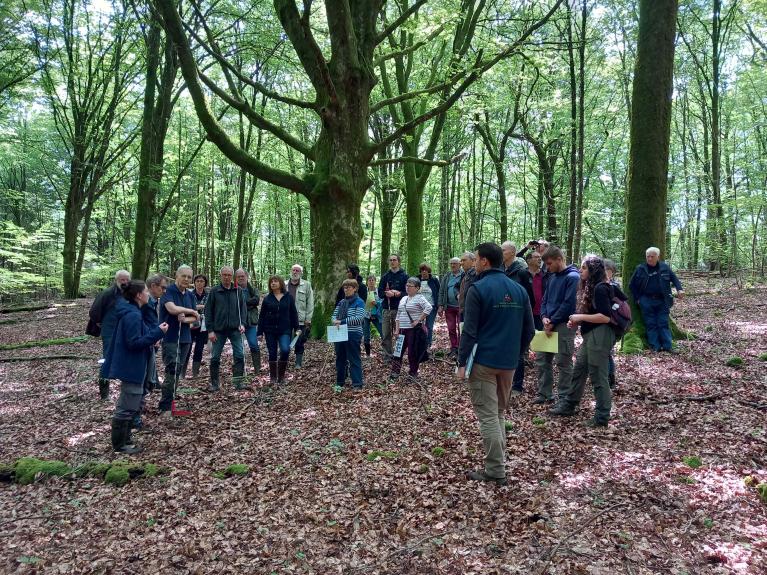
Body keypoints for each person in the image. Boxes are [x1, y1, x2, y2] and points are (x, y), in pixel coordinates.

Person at [457, 242, 534, 486]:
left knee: (489, 416)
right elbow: (529, 330)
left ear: (484, 261)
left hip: (484, 362)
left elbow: (469, 331)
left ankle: (495, 470)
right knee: (498, 412)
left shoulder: (477, 289)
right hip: (508, 363)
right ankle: (498, 463)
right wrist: (517, 354)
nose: (474, 263)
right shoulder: (518, 290)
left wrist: (461, 362)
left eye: (477, 259)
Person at [549, 256, 615, 427]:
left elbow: (605, 317)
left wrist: (580, 317)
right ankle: (569, 404)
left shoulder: (601, 288)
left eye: (584, 268)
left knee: (597, 373)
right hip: (591, 334)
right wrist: (578, 320)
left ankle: (602, 417)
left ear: (593, 270)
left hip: (601, 334)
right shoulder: (590, 287)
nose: (580, 271)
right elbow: (594, 313)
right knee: (579, 368)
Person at [103, 281, 167, 453]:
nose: (148, 293)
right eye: (145, 290)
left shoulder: (134, 312)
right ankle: (119, 444)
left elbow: (141, 335)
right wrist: (158, 332)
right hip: (132, 366)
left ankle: (126, 439)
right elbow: (134, 343)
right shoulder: (132, 315)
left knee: (132, 403)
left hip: (136, 365)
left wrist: (155, 333)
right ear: (139, 295)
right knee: (127, 404)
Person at [534, 246, 579, 405]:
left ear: (560, 259)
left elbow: (568, 304)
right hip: (548, 323)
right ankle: (544, 393)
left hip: (564, 325)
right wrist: (545, 317)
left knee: (563, 361)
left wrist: (552, 321)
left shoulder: (573, 277)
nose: (547, 267)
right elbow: (545, 300)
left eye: (549, 263)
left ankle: (565, 397)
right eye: (546, 264)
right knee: (541, 359)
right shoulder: (552, 277)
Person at [158, 266, 199, 417]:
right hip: (170, 337)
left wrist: (187, 316)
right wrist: (191, 312)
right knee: (172, 369)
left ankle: (172, 400)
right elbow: (172, 309)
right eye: (184, 276)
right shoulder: (167, 291)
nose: (186, 280)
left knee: (179, 369)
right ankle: (165, 406)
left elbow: (195, 319)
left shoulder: (190, 296)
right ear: (177, 276)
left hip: (186, 338)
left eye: (189, 277)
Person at [628, 247, 684, 352]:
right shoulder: (640, 268)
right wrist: (638, 298)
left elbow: (674, 278)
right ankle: (655, 346)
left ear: (658, 257)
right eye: (647, 256)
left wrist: (680, 289)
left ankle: (668, 346)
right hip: (646, 300)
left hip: (663, 300)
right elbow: (631, 285)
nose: (649, 259)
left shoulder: (664, 267)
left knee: (663, 323)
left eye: (652, 256)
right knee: (651, 324)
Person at [204, 266, 248, 391]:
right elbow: (208, 312)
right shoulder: (214, 291)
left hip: (235, 329)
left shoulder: (238, 290)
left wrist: (242, 323)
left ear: (232, 276)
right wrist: (210, 330)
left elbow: (243, 310)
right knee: (215, 357)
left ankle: (238, 382)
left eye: (229, 275)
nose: (227, 277)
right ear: (221, 275)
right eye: (224, 275)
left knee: (239, 355)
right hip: (218, 330)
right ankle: (214, 383)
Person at [89, 269, 131, 400]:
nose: (124, 282)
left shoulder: (131, 293)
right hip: (110, 332)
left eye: (126, 280)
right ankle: (104, 394)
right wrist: (99, 322)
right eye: (122, 280)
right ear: (116, 280)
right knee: (108, 360)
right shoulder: (107, 293)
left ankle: (127, 392)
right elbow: (94, 311)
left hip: (126, 331)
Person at [502, 242, 535, 396]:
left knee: (518, 351)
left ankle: (517, 386)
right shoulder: (500, 271)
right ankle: (504, 382)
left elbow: (530, 297)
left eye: (504, 250)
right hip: (502, 317)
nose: (501, 252)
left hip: (518, 317)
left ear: (513, 252)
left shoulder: (521, 272)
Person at [258, 275, 300, 385]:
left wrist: (297, 328)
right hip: (269, 330)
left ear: (280, 283)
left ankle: (281, 376)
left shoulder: (288, 297)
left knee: (285, 350)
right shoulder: (267, 298)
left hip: (285, 329)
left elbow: (293, 313)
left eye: (275, 281)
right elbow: (262, 316)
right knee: (272, 353)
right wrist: (259, 332)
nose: (273, 283)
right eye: (271, 282)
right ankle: (273, 377)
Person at [137, 274, 167, 428]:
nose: (164, 290)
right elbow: (142, 326)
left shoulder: (155, 302)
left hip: (151, 344)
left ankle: (138, 411)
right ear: (153, 286)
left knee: (147, 377)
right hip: (143, 345)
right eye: (162, 287)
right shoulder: (144, 303)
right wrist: (155, 334)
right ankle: (135, 416)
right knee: (141, 379)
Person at [389, 277, 432, 382]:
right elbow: (398, 314)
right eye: (406, 285)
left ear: (417, 288)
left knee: (412, 352)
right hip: (402, 329)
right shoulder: (403, 299)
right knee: (398, 351)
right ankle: (395, 372)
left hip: (413, 330)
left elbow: (429, 308)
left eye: (410, 286)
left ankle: (413, 373)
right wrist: (397, 329)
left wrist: (418, 320)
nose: (407, 287)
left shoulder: (420, 298)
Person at [331, 279, 367, 390]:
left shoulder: (359, 302)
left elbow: (359, 318)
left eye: (349, 287)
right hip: (339, 333)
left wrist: (341, 321)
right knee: (340, 358)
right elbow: (334, 315)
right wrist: (334, 321)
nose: (346, 289)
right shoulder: (341, 302)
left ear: (355, 288)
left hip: (353, 333)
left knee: (353, 358)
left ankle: (357, 383)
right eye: (345, 287)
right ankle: (340, 382)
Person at [377, 254, 409, 362]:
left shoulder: (405, 276)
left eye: (394, 260)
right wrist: (387, 293)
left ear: (398, 261)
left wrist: (397, 294)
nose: (392, 262)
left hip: (400, 310)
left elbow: (409, 293)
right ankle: (387, 355)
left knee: (399, 334)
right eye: (390, 260)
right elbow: (380, 292)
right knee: (386, 334)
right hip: (386, 309)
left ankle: (398, 355)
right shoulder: (385, 276)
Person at [603, 259, 627, 388]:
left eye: (608, 271)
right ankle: (609, 377)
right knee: (607, 353)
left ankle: (609, 377)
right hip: (605, 322)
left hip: (613, 323)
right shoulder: (601, 284)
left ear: (612, 272)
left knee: (607, 352)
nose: (606, 273)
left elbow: (619, 303)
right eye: (604, 270)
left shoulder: (614, 286)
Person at [287, 264, 314, 369]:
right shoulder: (284, 284)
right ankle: (285, 360)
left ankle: (298, 363)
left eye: (297, 270)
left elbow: (310, 303)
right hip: (286, 319)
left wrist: (308, 318)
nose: (295, 272)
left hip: (301, 319)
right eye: (293, 270)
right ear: (291, 271)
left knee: (299, 341)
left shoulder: (306, 285)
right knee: (285, 340)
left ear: (301, 273)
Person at [236, 268, 261, 374]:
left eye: (243, 276)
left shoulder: (253, 289)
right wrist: (248, 303)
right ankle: (239, 370)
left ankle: (257, 369)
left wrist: (242, 303)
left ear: (247, 277)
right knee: (238, 347)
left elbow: (256, 300)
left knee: (253, 345)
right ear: (236, 278)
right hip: (237, 322)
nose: (241, 278)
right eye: (239, 276)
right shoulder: (233, 290)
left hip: (250, 322)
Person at [438, 257, 463, 358]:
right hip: (449, 307)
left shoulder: (464, 275)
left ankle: (461, 349)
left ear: (460, 265)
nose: (452, 265)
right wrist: (440, 305)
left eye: (455, 264)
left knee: (461, 328)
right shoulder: (447, 276)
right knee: (451, 328)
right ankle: (454, 347)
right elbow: (442, 290)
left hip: (461, 307)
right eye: (451, 263)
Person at [417, 263, 440, 354]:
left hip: (431, 307)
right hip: (419, 307)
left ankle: (428, 345)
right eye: (422, 270)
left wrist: (439, 306)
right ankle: (419, 344)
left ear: (429, 271)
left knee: (429, 327)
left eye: (426, 270)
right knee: (418, 326)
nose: (424, 272)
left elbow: (439, 293)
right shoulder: (416, 280)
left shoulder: (434, 280)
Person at [189, 274, 209, 377]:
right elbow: (187, 306)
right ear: (194, 282)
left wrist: (196, 307)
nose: (200, 283)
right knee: (187, 347)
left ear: (205, 283)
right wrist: (200, 306)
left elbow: (210, 307)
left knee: (199, 348)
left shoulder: (208, 294)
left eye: (202, 281)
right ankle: (182, 371)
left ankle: (195, 372)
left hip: (204, 325)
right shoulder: (189, 294)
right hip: (191, 323)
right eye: (197, 281)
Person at [525, 251, 546, 330]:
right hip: (527, 313)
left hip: (542, 314)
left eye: (540, 257)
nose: (540, 259)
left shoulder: (545, 275)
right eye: (536, 257)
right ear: (528, 260)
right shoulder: (522, 274)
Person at [364, 274, 382, 358]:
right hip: (366, 315)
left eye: (372, 280)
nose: (371, 282)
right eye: (369, 280)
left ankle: (385, 350)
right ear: (367, 282)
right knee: (366, 334)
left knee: (382, 332)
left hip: (376, 315)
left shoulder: (379, 291)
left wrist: (377, 303)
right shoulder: (364, 291)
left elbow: (382, 303)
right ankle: (368, 354)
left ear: (375, 281)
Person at [457, 251, 479, 320]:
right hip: (463, 310)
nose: (461, 263)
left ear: (473, 261)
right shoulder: (464, 274)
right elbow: (456, 286)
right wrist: (457, 295)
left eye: (464, 260)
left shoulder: (476, 274)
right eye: (461, 261)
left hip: (471, 312)